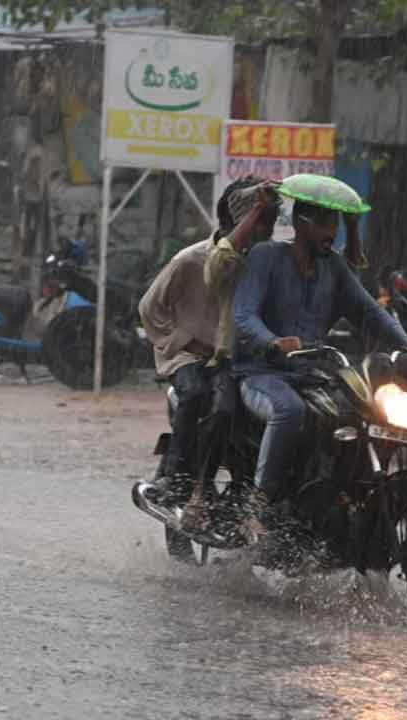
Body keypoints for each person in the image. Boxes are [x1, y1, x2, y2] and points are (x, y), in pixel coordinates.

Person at [232, 185, 407, 537]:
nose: (331, 231)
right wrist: (273, 342)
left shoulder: (334, 268)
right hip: (261, 374)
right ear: (300, 222)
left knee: (360, 414)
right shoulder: (265, 257)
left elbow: (371, 312)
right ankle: (257, 507)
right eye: (323, 222)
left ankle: (338, 497)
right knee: (289, 411)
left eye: (335, 222)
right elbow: (244, 316)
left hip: (312, 374)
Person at [137, 176, 278, 522]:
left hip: (230, 362)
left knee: (229, 412)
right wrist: (180, 341)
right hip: (189, 356)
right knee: (196, 393)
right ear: (237, 220)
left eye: (271, 222)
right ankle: (175, 477)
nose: (267, 230)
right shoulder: (192, 259)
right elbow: (149, 308)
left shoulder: (263, 265)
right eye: (262, 221)